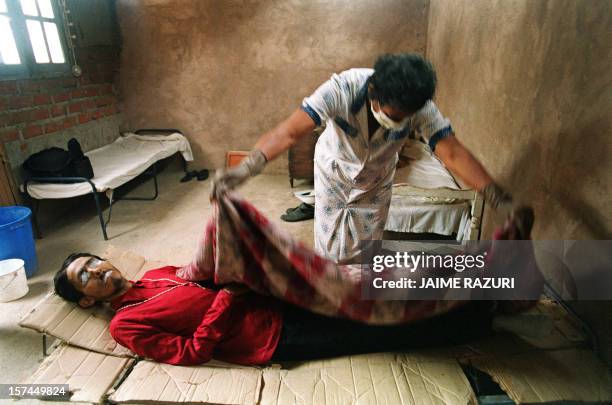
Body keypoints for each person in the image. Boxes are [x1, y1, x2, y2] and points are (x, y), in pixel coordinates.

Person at [212, 53, 515, 264]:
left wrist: (497, 197)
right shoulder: (341, 89)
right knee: (330, 243)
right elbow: (289, 133)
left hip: (377, 177)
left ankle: (357, 296)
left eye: (405, 119)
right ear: (373, 93)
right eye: (394, 115)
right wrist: (247, 167)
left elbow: (452, 151)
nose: (399, 123)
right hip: (334, 170)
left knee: (368, 245)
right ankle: (329, 288)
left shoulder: (420, 107)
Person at [53, 253, 494, 366]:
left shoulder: (159, 274)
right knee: (376, 329)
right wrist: (227, 299)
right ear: (89, 299)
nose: (97, 269)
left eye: (93, 262)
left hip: (268, 297)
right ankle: (478, 318)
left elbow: (205, 275)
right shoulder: (125, 324)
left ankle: (479, 280)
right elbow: (191, 352)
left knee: (366, 285)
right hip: (268, 336)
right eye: (86, 277)